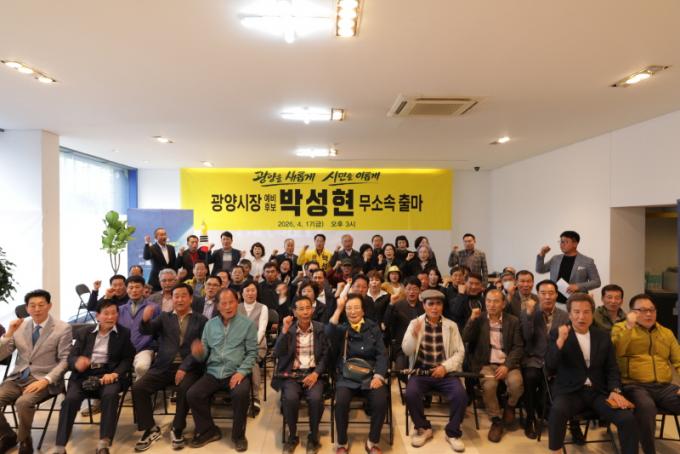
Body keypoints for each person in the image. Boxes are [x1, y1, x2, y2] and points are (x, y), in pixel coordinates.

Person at [545, 293, 638, 454]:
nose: (581, 317)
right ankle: (556, 450)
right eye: (576, 312)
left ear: (592, 313)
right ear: (569, 314)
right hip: (570, 391)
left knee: (627, 418)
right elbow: (549, 367)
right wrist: (560, 341)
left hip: (598, 392)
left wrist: (615, 390)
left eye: (586, 312)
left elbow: (612, 368)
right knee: (557, 411)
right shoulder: (557, 334)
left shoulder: (602, 336)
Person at [52, 300, 135, 454]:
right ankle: (60, 446)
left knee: (110, 395)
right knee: (70, 400)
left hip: (108, 375)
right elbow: (71, 357)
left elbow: (127, 359)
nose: (110, 317)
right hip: (84, 374)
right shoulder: (84, 332)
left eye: (114, 313)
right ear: (97, 316)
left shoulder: (124, 333)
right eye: (106, 313)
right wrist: (77, 362)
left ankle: (104, 443)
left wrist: (115, 374)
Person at [132, 283, 207, 451]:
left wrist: (184, 367)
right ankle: (150, 428)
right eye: (176, 296)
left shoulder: (201, 320)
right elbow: (147, 330)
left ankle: (177, 428)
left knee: (184, 389)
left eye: (183, 296)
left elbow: (201, 349)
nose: (179, 299)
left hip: (190, 367)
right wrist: (144, 320)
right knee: (138, 387)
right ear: (172, 299)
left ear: (191, 298)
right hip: (164, 365)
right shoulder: (164, 317)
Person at [0, 289, 73, 454]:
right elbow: (1, 355)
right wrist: (8, 333)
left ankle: (25, 440)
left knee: (23, 402)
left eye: (41, 305)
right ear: (27, 308)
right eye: (32, 305)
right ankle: (7, 435)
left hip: (44, 378)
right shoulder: (19, 326)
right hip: (18, 377)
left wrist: (46, 380)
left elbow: (65, 360)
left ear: (49, 306)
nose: (37, 309)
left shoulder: (63, 328)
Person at [187, 288, 258, 452]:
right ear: (217, 306)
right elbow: (204, 353)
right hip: (213, 371)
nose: (228, 306)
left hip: (236, 372)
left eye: (231, 302)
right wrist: (199, 352)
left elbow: (252, 353)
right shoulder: (210, 325)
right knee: (193, 394)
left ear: (237, 302)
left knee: (240, 394)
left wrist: (241, 372)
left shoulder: (247, 324)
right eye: (224, 303)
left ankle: (238, 436)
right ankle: (209, 431)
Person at [611, 293, 680, 454]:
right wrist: (629, 327)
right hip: (635, 385)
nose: (648, 314)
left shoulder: (666, 333)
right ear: (632, 312)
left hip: (664, 387)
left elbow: (678, 360)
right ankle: (649, 450)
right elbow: (616, 351)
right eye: (642, 310)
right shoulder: (620, 328)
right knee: (646, 408)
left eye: (652, 310)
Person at [402, 289, 467, 452]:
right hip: (421, 372)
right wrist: (414, 335)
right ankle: (423, 428)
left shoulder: (451, 326)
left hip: (445, 372)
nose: (434, 308)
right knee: (410, 393)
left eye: (438, 304)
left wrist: (445, 367)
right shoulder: (415, 323)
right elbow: (406, 351)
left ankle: (452, 432)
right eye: (430, 304)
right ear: (424, 306)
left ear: (442, 306)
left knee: (460, 394)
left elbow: (460, 352)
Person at [326, 294, 389, 454]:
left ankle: (372, 442)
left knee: (381, 401)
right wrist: (338, 309)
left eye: (356, 308)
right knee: (341, 402)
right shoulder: (342, 328)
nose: (352, 311)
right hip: (347, 376)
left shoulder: (373, 327)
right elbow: (328, 332)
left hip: (371, 375)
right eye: (348, 308)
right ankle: (342, 443)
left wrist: (379, 376)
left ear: (363, 310)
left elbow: (382, 354)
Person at [462, 289, 524, 443]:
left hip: (508, 363)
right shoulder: (479, 318)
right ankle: (496, 420)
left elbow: (518, 347)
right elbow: (465, 338)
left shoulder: (513, 321)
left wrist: (507, 366)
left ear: (503, 304)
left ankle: (510, 406)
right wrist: (471, 320)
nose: (491, 304)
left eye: (496, 301)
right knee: (489, 386)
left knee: (516, 384)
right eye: (488, 301)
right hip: (486, 363)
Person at [273, 297, 329, 454]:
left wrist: (316, 373)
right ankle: (292, 436)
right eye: (301, 309)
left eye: (308, 308)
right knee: (290, 398)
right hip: (292, 375)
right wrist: (284, 330)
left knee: (316, 398)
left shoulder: (321, 328)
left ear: (313, 310)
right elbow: (277, 352)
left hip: (313, 374)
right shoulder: (289, 329)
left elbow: (326, 355)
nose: (305, 312)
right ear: (294, 312)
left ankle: (313, 436)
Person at [519, 279, 569, 439]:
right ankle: (530, 418)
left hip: (555, 360)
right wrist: (529, 315)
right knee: (530, 377)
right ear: (537, 295)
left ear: (556, 295)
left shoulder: (564, 315)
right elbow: (527, 337)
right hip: (534, 358)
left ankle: (546, 413)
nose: (547, 297)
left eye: (551, 293)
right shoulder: (528, 312)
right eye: (543, 293)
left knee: (555, 383)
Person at [536, 230, 601, 305]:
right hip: (555, 301)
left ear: (575, 244)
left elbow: (596, 282)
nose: (562, 244)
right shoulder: (555, 259)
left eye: (565, 242)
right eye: (561, 242)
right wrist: (542, 254)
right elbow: (540, 270)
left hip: (576, 302)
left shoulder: (587, 261)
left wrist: (578, 286)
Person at [116, 275, 159, 380]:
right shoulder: (120, 309)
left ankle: (138, 388)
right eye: (131, 287)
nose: (134, 290)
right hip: (123, 350)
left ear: (143, 289)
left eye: (137, 287)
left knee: (142, 367)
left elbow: (159, 332)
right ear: (126, 289)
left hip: (145, 349)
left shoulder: (154, 307)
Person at [237, 280, 269, 414]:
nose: (250, 293)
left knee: (252, 361)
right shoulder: (236, 307)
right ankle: (239, 393)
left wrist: (250, 346)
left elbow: (261, 330)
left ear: (257, 292)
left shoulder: (263, 308)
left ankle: (255, 397)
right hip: (238, 345)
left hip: (257, 345)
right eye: (247, 290)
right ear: (242, 293)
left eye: (253, 290)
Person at [383, 277, 424, 377]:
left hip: (421, 347)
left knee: (423, 371)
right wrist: (391, 304)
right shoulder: (397, 305)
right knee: (400, 371)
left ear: (420, 290)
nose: (411, 292)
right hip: (401, 347)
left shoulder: (424, 306)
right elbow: (386, 323)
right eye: (409, 289)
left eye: (415, 289)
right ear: (404, 290)